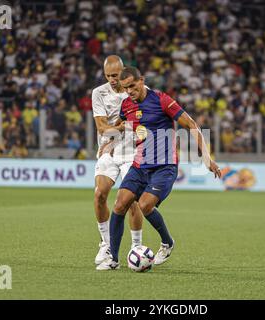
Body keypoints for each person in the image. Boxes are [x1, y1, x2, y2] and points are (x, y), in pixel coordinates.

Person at [96, 66, 221, 270]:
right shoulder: (127, 105)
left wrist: (206, 158)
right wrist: (110, 142)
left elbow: (191, 124)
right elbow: (121, 124)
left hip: (164, 166)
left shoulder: (161, 99)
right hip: (140, 165)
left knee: (145, 205)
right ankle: (114, 260)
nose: (129, 92)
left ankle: (167, 242)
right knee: (119, 205)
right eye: (125, 88)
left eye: (133, 86)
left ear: (142, 80)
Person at [92, 56, 144, 267]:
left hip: (132, 152)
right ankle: (106, 244)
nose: (112, 79)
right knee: (100, 194)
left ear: (124, 71)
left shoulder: (136, 88)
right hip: (108, 150)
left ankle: (136, 247)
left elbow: (144, 117)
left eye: (115, 75)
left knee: (131, 200)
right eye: (108, 76)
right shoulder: (99, 93)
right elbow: (102, 127)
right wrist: (121, 128)